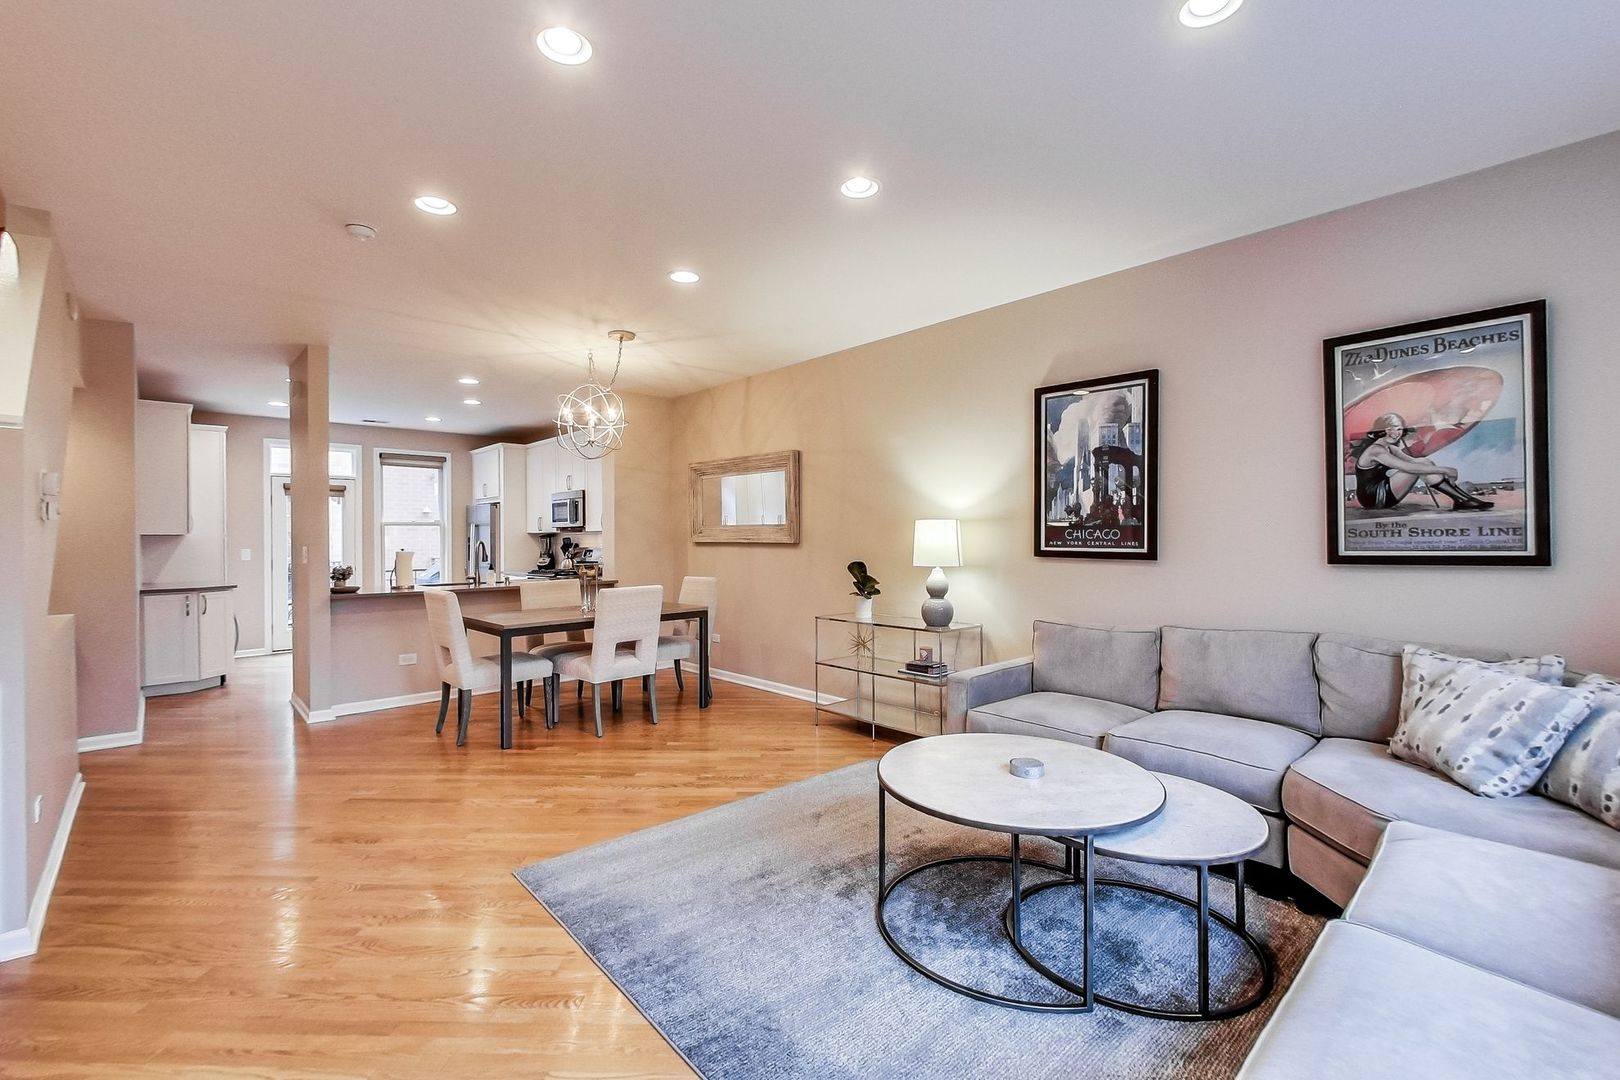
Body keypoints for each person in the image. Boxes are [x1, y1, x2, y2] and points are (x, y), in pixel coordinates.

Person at [1352, 412, 1493, 512]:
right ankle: (1462, 500)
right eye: (1390, 428)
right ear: (1380, 430)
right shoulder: (1376, 450)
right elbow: (1409, 468)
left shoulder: (1390, 448)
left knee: (1423, 461)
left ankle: (1462, 499)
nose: (1395, 433)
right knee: (1419, 466)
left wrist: (1434, 467)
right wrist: (1446, 470)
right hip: (1374, 497)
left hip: (1383, 490)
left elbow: (1416, 462)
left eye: (1399, 429)